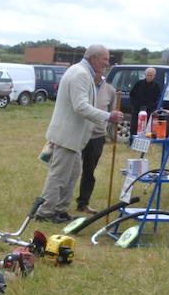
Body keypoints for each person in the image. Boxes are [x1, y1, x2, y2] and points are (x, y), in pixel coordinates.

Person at [38, 44, 122, 223]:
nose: (107, 63)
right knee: (59, 176)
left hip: (73, 138)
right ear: (93, 58)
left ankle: (60, 211)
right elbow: (80, 106)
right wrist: (108, 116)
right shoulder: (81, 74)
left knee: (73, 173)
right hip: (68, 136)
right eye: (105, 59)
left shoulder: (81, 72)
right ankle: (45, 213)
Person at [77, 78, 117, 214]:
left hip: (96, 136)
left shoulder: (110, 90)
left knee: (89, 171)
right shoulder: (83, 84)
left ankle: (83, 203)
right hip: (77, 133)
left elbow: (112, 113)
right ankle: (58, 204)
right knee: (70, 170)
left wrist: (111, 133)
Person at [129, 66, 162, 136]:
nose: (149, 77)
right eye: (148, 75)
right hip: (137, 110)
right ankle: (132, 142)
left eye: (151, 75)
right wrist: (134, 105)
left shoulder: (157, 86)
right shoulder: (139, 84)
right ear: (145, 75)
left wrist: (153, 108)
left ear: (154, 76)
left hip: (150, 111)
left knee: (147, 129)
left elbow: (158, 99)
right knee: (134, 127)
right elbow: (132, 95)